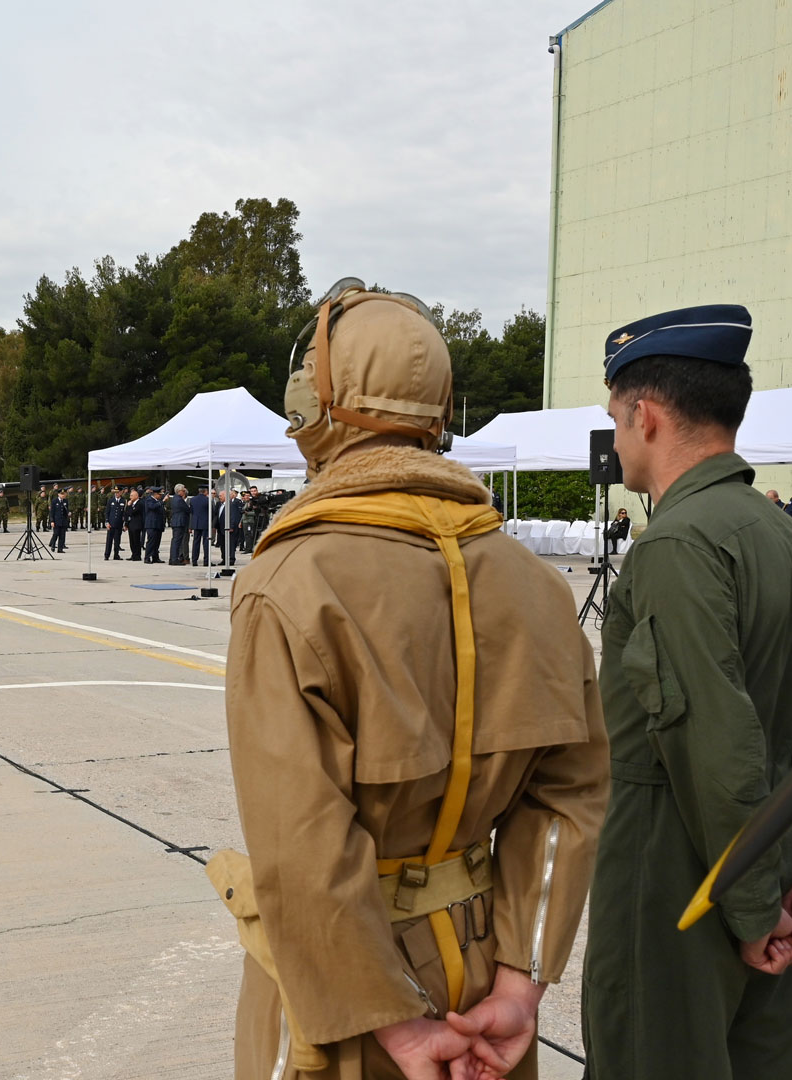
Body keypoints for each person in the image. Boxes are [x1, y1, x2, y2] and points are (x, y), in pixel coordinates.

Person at [220, 278, 607, 1079]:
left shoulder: (290, 584)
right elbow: (570, 794)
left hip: (345, 993)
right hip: (482, 977)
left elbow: (302, 844)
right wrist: (520, 978)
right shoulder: (535, 585)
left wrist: (391, 1023)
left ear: (322, 399)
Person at [583, 304, 792, 1078]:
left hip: (681, 880)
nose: (615, 434)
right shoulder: (784, 537)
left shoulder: (677, 542)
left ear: (649, 415)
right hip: (765, 871)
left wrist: (748, 905)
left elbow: (712, 738)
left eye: (615, 415)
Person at [141, 487, 165, 563]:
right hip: (151, 524)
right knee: (151, 542)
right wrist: (162, 502)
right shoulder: (149, 500)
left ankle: (155, 557)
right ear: (155, 494)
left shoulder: (158, 501)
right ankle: (147, 557)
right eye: (159, 494)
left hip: (158, 525)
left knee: (157, 542)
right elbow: (152, 507)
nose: (161, 496)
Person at [167, 484, 190, 564]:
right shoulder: (179, 499)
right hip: (179, 522)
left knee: (175, 541)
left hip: (176, 521)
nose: (184, 492)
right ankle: (174, 559)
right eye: (183, 491)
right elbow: (187, 509)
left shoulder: (174, 498)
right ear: (179, 491)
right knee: (177, 541)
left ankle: (172, 558)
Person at [188, 487, 210, 566]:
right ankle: (206, 561)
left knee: (196, 542)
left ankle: (194, 560)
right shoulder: (207, 500)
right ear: (205, 491)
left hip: (196, 523)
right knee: (206, 543)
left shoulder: (193, 499)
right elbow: (212, 511)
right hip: (205, 523)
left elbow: (191, 512)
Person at [222, 488, 244, 566]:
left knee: (232, 542)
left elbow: (235, 514)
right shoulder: (223, 503)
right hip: (225, 526)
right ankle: (225, 558)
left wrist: (234, 524)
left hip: (233, 525)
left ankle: (231, 557)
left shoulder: (236, 502)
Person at [104, 488, 126, 560]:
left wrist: (124, 523)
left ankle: (116, 555)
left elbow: (124, 513)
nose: (116, 494)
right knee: (109, 541)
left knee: (117, 541)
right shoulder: (110, 500)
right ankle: (107, 555)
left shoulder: (123, 501)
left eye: (118, 492)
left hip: (119, 524)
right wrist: (107, 522)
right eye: (115, 492)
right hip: (111, 524)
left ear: (121, 492)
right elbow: (107, 512)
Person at [49, 488, 69, 552]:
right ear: (58, 494)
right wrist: (52, 521)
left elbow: (66, 511)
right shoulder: (54, 501)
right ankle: (53, 545)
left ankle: (60, 549)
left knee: (62, 535)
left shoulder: (65, 501)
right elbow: (52, 512)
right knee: (56, 534)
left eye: (64, 494)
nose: (63, 495)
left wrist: (68, 513)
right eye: (61, 494)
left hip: (63, 521)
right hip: (56, 521)